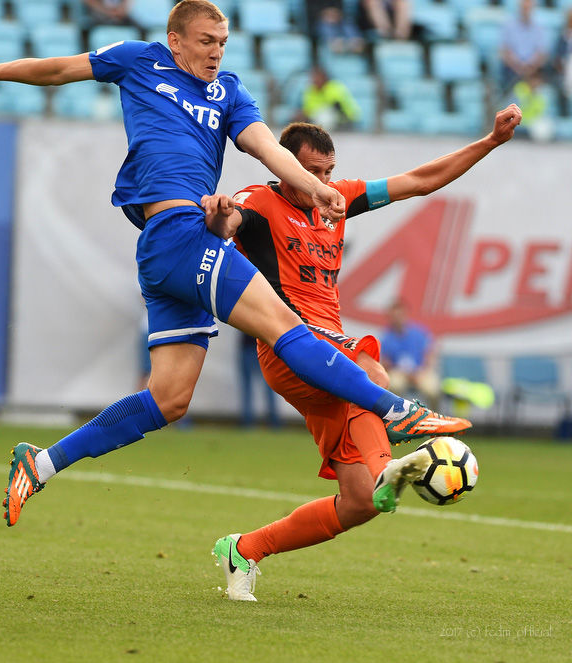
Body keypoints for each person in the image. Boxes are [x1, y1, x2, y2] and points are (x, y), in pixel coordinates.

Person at [0, 0, 470, 529]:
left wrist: (316, 187)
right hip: (175, 233)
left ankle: (39, 464)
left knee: (169, 400)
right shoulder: (138, 60)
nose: (216, 52)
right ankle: (396, 411)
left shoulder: (229, 93)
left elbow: (266, 145)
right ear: (176, 40)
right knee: (285, 326)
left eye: (222, 43)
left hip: (179, 245)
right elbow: (62, 68)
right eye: (206, 41)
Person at [206, 104, 522, 600]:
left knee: (361, 503)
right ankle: (400, 422)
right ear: (282, 167)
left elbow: (419, 180)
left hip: (332, 363)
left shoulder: (337, 201)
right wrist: (223, 218)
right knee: (374, 369)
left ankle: (244, 549)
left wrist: (490, 141)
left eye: (329, 171)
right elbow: (229, 223)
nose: (325, 181)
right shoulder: (260, 203)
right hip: (291, 348)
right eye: (313, 172)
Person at [380, 298, 440, 410]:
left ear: (405, 314)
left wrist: (422, 371)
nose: (397, 319)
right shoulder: (387, 337)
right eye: (394, 316)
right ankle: (397, 418)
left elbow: (429, 354)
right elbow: (385, 362)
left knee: (433, 390)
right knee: (394, 385)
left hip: (420, 371)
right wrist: (401, 371)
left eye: (400, 315)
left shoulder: (419, 332)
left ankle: (435, 419)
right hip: (399, 372)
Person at [499, 0, 548, 94]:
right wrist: (518, 66)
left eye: (528, 8)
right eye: (524, 8)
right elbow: (505, 51)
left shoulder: (539, 28)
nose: (526, 11)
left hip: (533, 70)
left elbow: (541, 54)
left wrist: (529, 68)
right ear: (519, 9)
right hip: (512, 69)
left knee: (539, 79)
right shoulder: (509, 26)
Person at [295, 65, 360, 131]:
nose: (314, 80)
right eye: (313, 77)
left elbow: (338, 109)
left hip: (345, 120)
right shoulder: (309, 90)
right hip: (318, 120)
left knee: (325, 116)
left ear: (324, 77)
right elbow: (307, 110)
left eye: (317, 77)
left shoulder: (335, 87)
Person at [238, 332, 280, 429]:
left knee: (248, 387)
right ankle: (274, 421)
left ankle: (248, 422)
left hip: (251, 346)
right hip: (263, 346)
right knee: (269, 386)